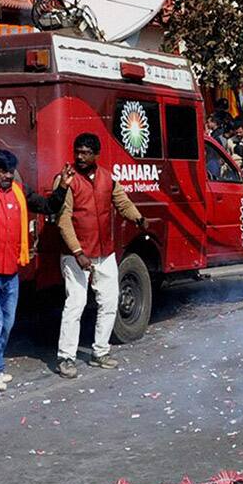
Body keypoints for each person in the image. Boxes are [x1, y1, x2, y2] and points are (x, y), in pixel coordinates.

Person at [0, 106, 73, 392]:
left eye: (11, 171)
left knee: (7, 324)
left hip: (11, 275)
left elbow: (48, 207)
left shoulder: (20, 193)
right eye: (3, 172)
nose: (9, 176)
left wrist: (63, 188)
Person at [55, 133, 149, 380]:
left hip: (104, 252)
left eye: (86, 153)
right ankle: (66, 357)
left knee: (109, 302)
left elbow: (122, 203)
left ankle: (100, 352)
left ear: (97, 155)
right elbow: (63, 220)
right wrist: (77, 253)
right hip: (76, 254)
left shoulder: (107, 178)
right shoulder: (67, 180)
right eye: (77, 152)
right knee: (75, 304)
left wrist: (138, 218)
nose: (80, 157)